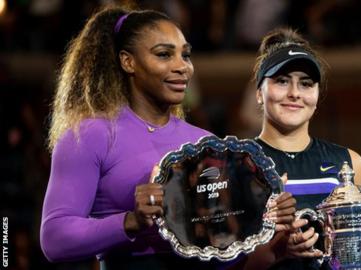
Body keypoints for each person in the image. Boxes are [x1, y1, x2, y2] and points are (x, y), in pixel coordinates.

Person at [40, 6, 295, 270]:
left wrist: (267, 231)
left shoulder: (204, 142)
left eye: (185, 55)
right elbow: (54, 239)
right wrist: (131, 221)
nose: (182, 67)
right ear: (128, 61)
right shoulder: (90, 135)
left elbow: (221, 257)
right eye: (164, 55)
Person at [251, 28, 361, 269]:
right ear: (259, 93)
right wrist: (276, 250)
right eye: (282, 81)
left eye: (306, 83)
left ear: (317, 95)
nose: (294, 93)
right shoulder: (236, 162)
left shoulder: (349, 162)